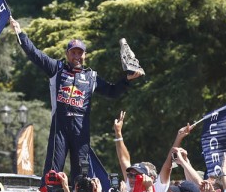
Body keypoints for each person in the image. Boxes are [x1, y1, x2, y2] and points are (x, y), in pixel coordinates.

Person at [10, 17, 142, 179]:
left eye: (80, 53)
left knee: (82, 175)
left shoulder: (91, 77)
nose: (76, 56)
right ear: (67, 54)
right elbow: (35, 54)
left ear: (85, 55)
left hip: (81, 131)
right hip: (60, 130)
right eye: (73, 52)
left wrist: (127, 80)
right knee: (52, 173)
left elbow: (112, 91)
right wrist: (20, 33)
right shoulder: (56, 69)